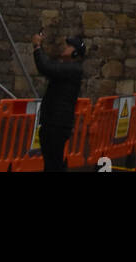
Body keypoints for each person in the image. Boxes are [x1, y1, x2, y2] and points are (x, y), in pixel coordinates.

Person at [31, 30, 86, 172]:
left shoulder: (73, 69)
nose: (65, 48)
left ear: (75, 53)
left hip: (58, 123)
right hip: (52, 121)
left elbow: (45, 67)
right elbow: (50, 66)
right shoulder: (67, 68)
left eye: (69, 47)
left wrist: (37, 47)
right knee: (51, 162)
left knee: (54, 163)